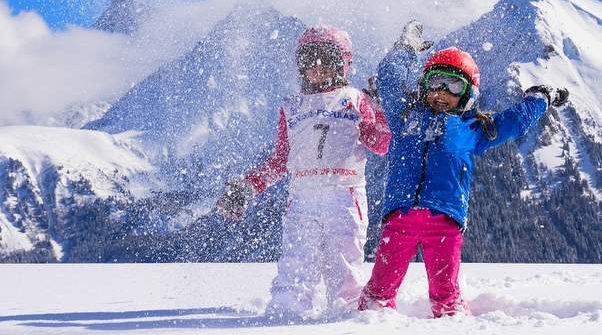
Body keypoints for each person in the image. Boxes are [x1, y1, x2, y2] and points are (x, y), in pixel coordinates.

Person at [358, 21, 568, 317]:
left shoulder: (474, 128)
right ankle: (365, 324)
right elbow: (390, 76)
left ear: (468, 93)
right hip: (399, 218)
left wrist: (540, 98)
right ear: (423, 85)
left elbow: (515, 121)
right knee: (378, 293)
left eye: (453, 85)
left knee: (446, 297)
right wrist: (406, 48)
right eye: (434, 82)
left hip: (444, 223)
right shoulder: (405, 114)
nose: (441, 91)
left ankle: (454, 325)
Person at [216, 25, 391, 320]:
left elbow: (381, 144)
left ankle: (345, 317)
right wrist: (247, 187)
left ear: (343, 63)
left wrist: (380, 107)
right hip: (302, 199)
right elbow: (280, 159)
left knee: (344, 267)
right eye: (309, 60)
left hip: (344, 196)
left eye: (325, 59)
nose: (317, 67)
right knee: (297, 262)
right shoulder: (292, 105)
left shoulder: (355, 98)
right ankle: (288, 313)